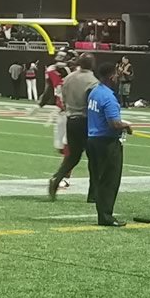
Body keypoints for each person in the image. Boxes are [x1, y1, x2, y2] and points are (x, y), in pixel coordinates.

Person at [84, 54, 132, 227]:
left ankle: (102, 213)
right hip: (107, 142)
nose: (119, 78)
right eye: (117, 75)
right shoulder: (109, 97)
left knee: (99, 178)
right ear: (112, 76)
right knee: (109, 180)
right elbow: (114, 123)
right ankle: (106, 216)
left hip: (92, 140)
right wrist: (126, 126)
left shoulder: (95, 92)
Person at [47, 56, 97, 200]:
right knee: (93, 158)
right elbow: (92, 103)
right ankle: (93, 193)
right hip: (86, 121)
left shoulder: (69, 78)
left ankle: (56, 179)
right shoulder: (92, 81)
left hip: (71, 119)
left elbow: (62, 98)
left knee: (72, 157)